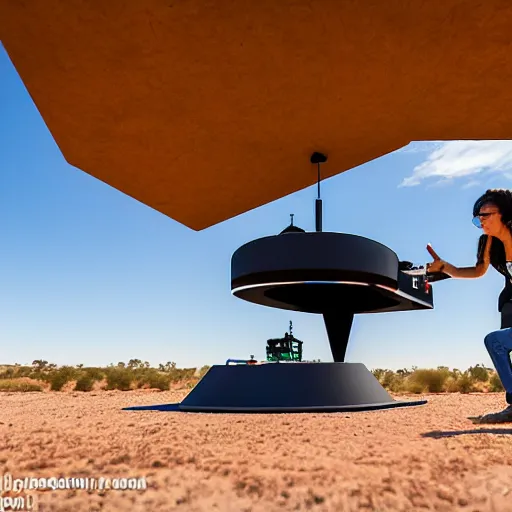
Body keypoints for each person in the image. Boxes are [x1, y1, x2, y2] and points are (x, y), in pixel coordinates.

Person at [426, 189, 512, 423]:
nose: (481, 221)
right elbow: (478, 271)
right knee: (502, 342)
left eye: (486, 215)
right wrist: (445, 268)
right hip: (511, 303)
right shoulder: (489, 242)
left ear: (505, 214)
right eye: (478, 217)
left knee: (495, 341)